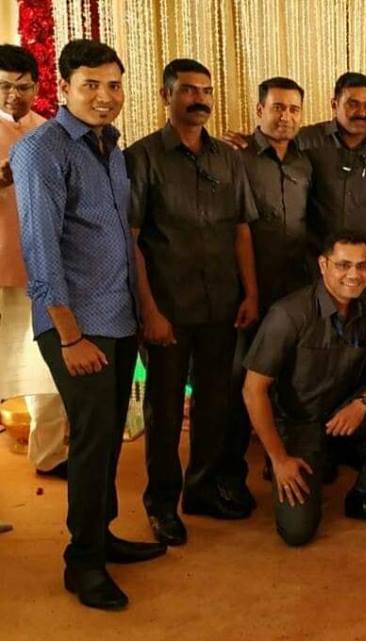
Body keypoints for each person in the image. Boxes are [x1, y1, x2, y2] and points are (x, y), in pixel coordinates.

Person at [12, 39, 166, 611]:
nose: (105, 97)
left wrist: (143, 309)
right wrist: (70, 334)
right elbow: (40, 248)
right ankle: (83, 562)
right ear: (66, 88)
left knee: (106, 442)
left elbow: (123, 239)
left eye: (114, 85)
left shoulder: (111, 148)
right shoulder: (41, 151)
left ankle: (102, 536)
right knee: (92, 440)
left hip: (118, 315)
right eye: (91, 86)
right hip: (78, 324)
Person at [126, 58, 260, 546]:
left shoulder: (228, 159)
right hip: (169, 307)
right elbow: (132, 239)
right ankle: (162, 503)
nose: (198, 98)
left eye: (205, 90)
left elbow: (241, 228)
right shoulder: (141, 158)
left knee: (215, 403)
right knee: (163, 411)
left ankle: (201, 490)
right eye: (187, 90)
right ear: (167, 96)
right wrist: (150, 311)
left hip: (222, 303)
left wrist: (250, 292)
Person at [242, 231, 366, 546]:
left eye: (361, 266)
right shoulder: (288, 314)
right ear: (323, 265)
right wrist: (280, 458)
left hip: (345, 411)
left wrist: (363, 403)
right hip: (298, 423)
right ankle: (299, 460)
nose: (354, 275)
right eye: (343, 265)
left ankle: (365, 495)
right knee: (297, 531)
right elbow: (252, 390)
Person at [219, 76, 313, 513]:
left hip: (296, 290)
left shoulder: (305, 162)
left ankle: (282, 457)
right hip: (250, 292)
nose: (285, 117)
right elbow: (235, 228)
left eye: (293, 109)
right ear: (259, 111)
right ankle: (228, 475)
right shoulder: (236, 157)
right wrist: (250, 292)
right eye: (277, 108)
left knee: (292, 377)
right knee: (242, 380)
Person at [0, 44, 68, 480]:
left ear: (38, 87)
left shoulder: (48, 131)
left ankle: (50, 455)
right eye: (5, 86)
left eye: (23, 87)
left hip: (42, 271)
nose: (14, 96)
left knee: (50, 370)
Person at [301, 72, 366, 309]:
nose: (361, 112)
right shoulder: (306, 142)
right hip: (317, 268)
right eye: (353, 103)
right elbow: (273, 145)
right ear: (334, 104)